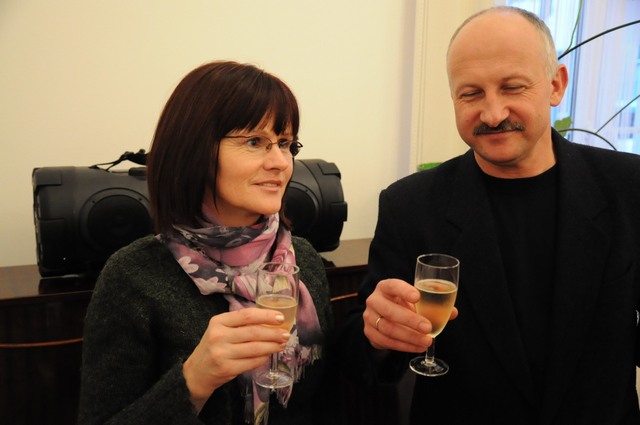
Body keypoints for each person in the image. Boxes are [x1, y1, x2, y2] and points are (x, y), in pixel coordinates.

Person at [340, 6, 640, 425]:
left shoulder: (629, 187)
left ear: (556, 85)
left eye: (512, 87)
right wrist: (377, 334)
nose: (493, 114)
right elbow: (362, 352)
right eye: (471, 94)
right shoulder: (409, 205)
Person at [77, 61, 334, 425]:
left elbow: (329, 398)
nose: (280, 161)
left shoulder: (301, 258)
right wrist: (195, 380)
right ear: (193, 149)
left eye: (285, 143)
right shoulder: (133, 276)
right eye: (255, 142)